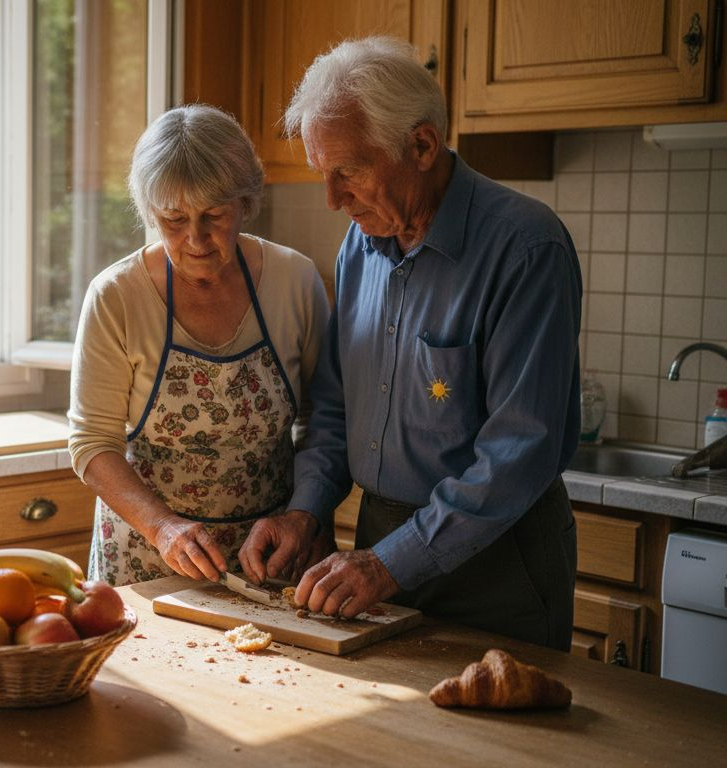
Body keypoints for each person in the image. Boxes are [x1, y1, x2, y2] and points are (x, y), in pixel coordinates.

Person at [238, 37, 582, 650]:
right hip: (382, 546)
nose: (333, 199)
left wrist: (392, 561)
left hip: (498, 564)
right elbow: (336, 405)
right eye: (324, 174)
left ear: (422, 145)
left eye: (348, 172)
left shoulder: (526, 248)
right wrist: (306, 509)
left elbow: (520, 451)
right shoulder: (360, 246)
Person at [68, 104, 329, 586]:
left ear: (245, 203)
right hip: (148, 561)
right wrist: (164, 528)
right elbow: (92, 444)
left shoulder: (295, 280)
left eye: (213, 215)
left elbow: (322, 419)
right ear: (150, 212)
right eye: (173, 219)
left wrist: (303, 517)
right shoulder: (117, 296)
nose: (196, 239)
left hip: (269, 557)